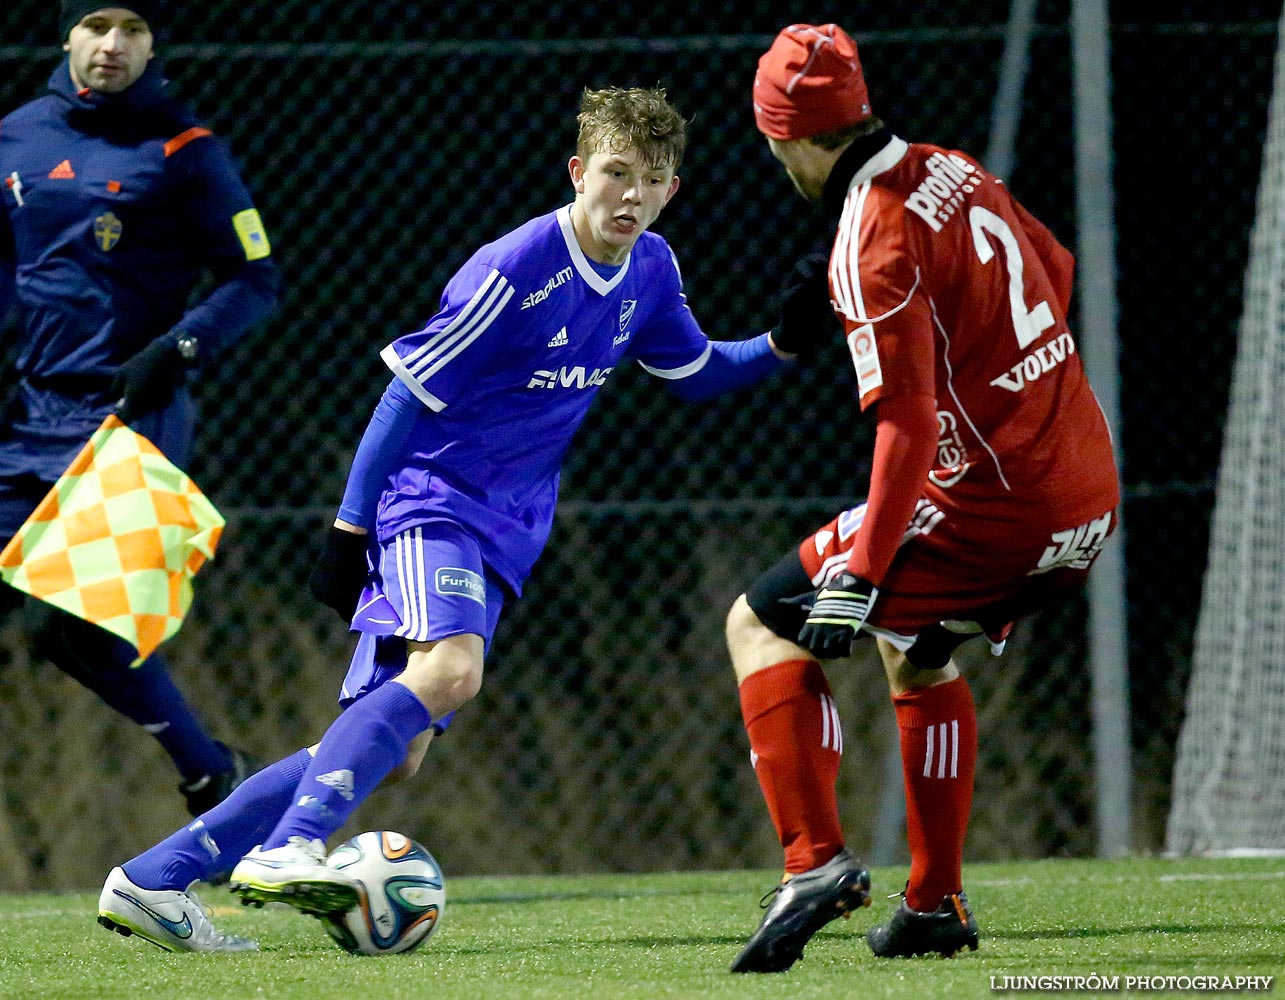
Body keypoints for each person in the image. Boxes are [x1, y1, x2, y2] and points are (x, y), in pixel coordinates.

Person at [95, 84, 834, 953]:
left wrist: (785, 342)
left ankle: (155, 879)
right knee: (451, 671)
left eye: (654, 179)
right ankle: (292, 846)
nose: (631, 195)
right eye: (616, 172)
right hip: (429, 501)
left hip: (504, 530)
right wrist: (348, 529)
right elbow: (401, 394)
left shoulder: (652, 270)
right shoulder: (515, 268)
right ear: (577, 172)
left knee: (393, 745)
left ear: (672, 190)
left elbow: (698, 371)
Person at [725, 23, 1121, 972]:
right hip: (1087, 493)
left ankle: (811, 863)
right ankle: (933, 904)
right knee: (921, 648)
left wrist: (860, 573)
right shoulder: (952, 168)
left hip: (993, 504)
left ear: (783, 133)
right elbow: (1056, 271)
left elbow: (902, 425)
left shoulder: (871, 237)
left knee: (760, 623)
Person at [0, 2, 279, 815]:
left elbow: (254, 281)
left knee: (71, 626)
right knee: (54, 627)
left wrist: (179, 348)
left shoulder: (186, 149)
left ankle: (208, 774)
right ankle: (212, 772)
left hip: (132, 420)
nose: (112, 45)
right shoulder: (16, 135)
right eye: (95, 25)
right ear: (66, 36)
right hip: (30, 414)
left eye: (130, 29)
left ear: (154, 42)